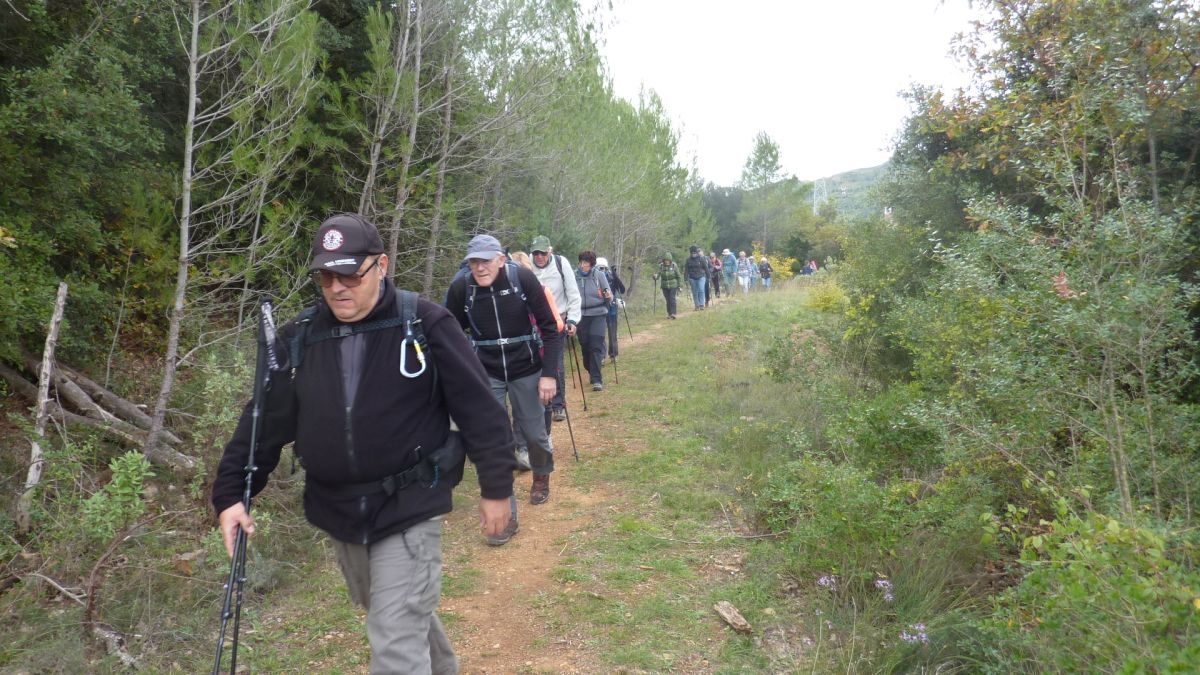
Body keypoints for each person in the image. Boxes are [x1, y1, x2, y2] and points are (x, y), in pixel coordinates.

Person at [213, 214, 516, 674]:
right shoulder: (301, 337)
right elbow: (264, 421)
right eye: (326, 276)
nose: (338, 287)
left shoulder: (425, 323)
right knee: (398, 613)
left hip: (409, 505)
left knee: (394, 643)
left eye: (350, 273)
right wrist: (232, 495)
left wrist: (496, 487)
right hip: (339, 512)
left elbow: (480, 409)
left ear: (382, 266)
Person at [445, 234, 562, 531]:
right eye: (474, 261)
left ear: (500, 259)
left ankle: (541, 473)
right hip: (487, 371)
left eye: (486, 260)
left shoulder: (521, 279)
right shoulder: (462, 288)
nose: (480, 267)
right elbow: (449, 332)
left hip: (526, 367)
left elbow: (550, 327)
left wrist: (549, 374)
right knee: (494, 440)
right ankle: (505, 512)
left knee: (535, 434)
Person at [529, 235, 581, 423]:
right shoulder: (527, 264)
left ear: (549, 251)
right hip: (534, 324)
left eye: (542, 253)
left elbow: (573, 293)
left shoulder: (561, 263)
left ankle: (557, 405)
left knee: (555, 362)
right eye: (536, 253)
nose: (539, 256)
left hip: (557, 320)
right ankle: (540, 403)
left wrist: (573, 319)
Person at [575, 251, 612, 391]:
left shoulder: (599, 275)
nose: (584, 266)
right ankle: (591, 371)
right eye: (582, 262)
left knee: (596, 346)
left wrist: (608, 296)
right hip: (581, 315)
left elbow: (609, 294)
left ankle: (597, 379)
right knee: (585, 347)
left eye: (587, 263)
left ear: (592, 264)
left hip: (598, 313)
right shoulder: (574, 276)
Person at [595, 257, 625, 361]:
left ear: (606, 268)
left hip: (611, 310)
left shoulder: (612, 278)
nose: (601, 270)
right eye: (598, 268)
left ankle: (614, 354)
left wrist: (616, 277)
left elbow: (622, 290)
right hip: (599, 311)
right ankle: (602, 356)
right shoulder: (593, 279)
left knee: (612, 333)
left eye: (603, 268)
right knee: (600, 334)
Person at [654, 252, 681, 319]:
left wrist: (679, 285)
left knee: (672, 299)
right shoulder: (661, 266)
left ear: (670, 260)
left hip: (673, 285)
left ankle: (673, 313)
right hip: (664, 286)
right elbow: (657, 276)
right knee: (667, 300)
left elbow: (678, 276)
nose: (667, 262)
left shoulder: (674, 265)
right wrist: (655, 276)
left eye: (668, 260)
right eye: (665, 260)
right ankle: (669, 313)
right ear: (664, 260)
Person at [684, 245, 710, 310]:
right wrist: (686, 279)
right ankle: (697, 305)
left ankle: (701, 304)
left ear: (697, 252)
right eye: (692, 253)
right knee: (695, 291)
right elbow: (686, 270)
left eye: (694, 253)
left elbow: (706, 268)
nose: (693, 254)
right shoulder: (688, 260)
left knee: (701, 289)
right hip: (692, 277)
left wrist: (708, 276)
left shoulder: (701, 259)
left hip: (701, 276)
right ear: (690, 253)